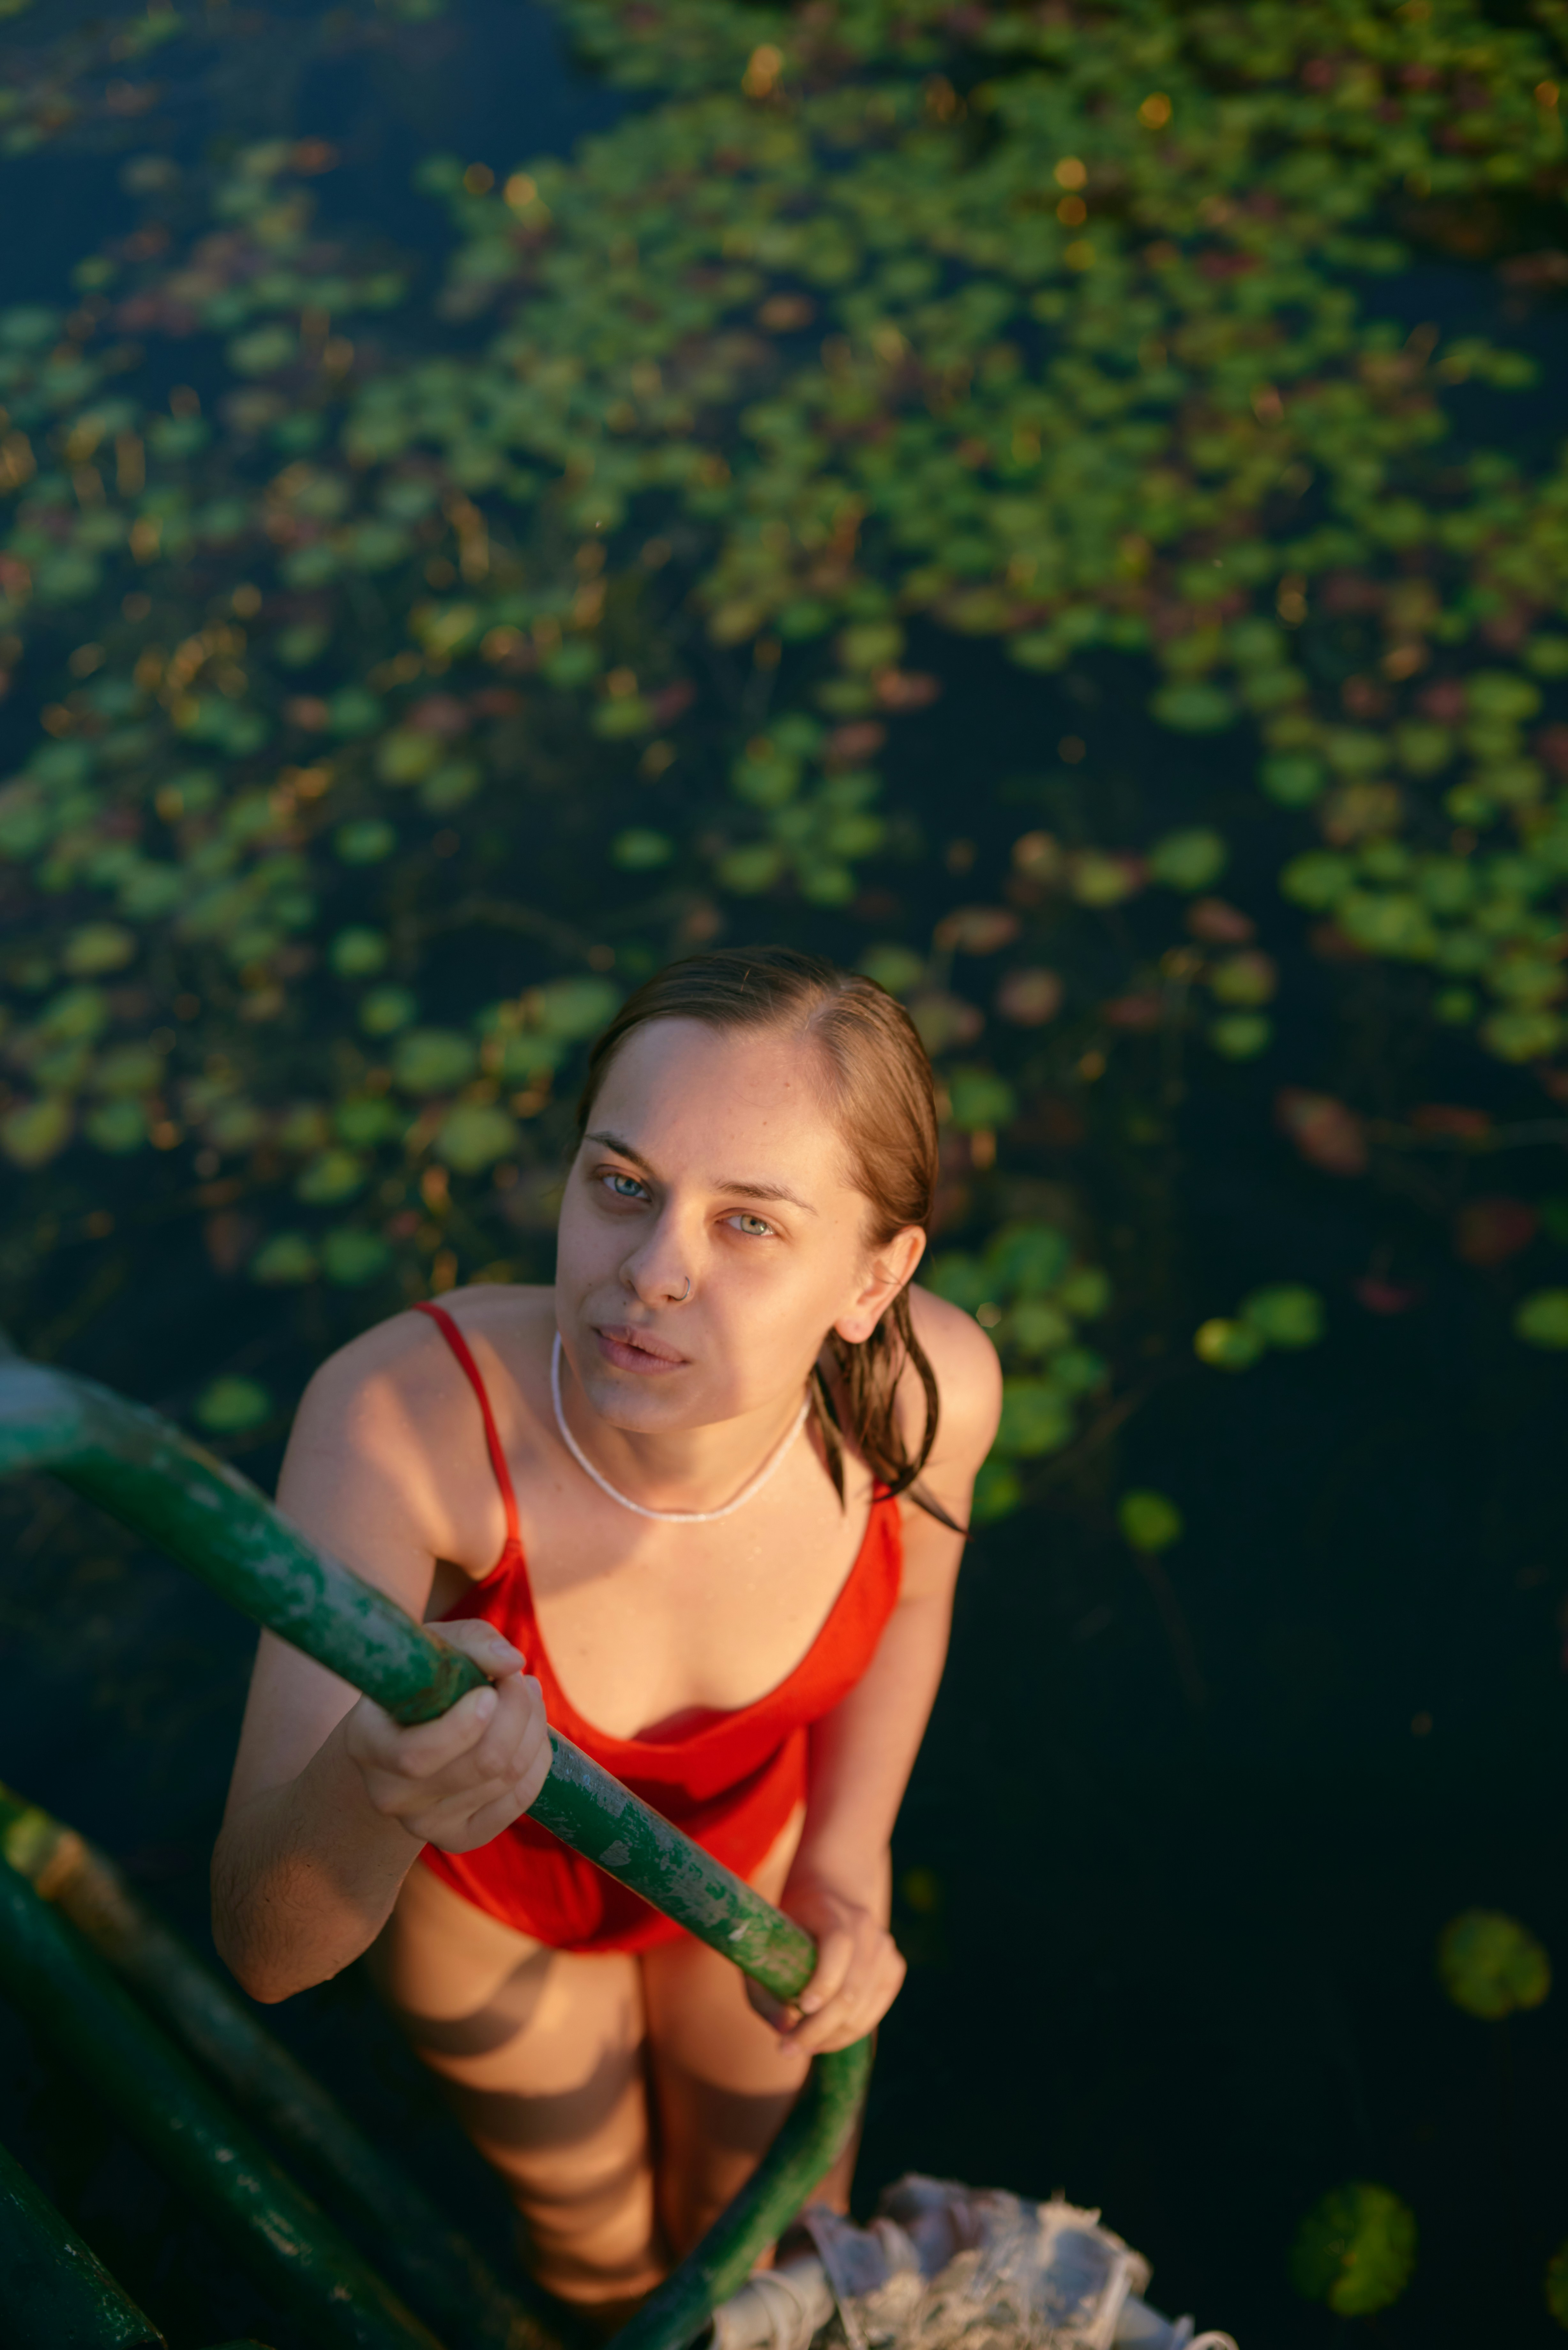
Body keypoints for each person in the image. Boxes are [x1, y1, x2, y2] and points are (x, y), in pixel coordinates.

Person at [212, 947, 1002, 2328]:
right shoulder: (400, 1420)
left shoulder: (931, 1398)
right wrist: (376, 1784)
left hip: (744, 1880)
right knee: (598, 2260)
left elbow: (917, 1602)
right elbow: (267, 1948)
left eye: (751, 1224)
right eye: (621, 1184)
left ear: (873, 1278)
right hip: (497, 1922)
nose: (651, 1273)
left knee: (772, 2251)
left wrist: (846, 1854)